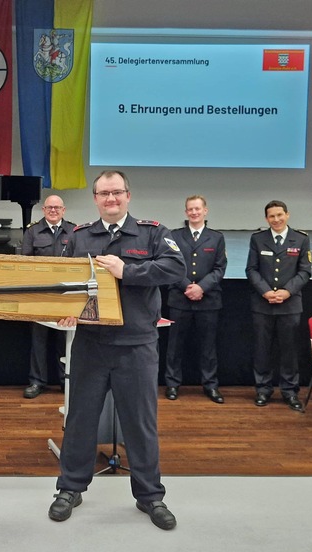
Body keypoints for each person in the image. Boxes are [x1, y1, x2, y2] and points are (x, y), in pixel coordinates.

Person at [48, 170, 185, 531]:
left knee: (140, 424)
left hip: (136, 345)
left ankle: (150, 496)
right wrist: (63, 309)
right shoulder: (79, 236)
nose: (111, 199)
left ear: (128, 196)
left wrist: (129, 271)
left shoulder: (153, 232)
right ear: (95, 199)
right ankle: (70, 489)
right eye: (104, 193)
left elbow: (175, 268)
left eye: (117, 192)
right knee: (79, 421)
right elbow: (63, 280)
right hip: (91, 344)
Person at [246, 200, 311, 411]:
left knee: (289, 350)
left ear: (287, 215)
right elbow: (251, 270)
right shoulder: (258, 239)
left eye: (279, 215)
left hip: (290, 305)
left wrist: (287, 291)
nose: (276, 219)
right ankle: (263, 390)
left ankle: (290, 391)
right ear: (266, 219)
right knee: (262, 349)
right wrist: (265, 291)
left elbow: (305, 271)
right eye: (272, 216)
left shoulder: (301, 239)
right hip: (262, 304)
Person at [164, 195, 227, 404]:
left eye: (197, 209)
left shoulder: (216, 238)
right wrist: (186, 287)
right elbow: (170, 265)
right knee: (174, 346)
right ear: (186, 212)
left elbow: (219, 269)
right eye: (190, 209)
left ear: (205, 211)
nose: (194, 212)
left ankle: (211, 385)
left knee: (208, 347)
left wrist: (201, 287)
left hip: (208, 301)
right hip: (179, 299)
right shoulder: (174, 236)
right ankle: (172, 384)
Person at [21, 195, 74, 399]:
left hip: (65, 295)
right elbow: (25, 264)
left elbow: (79, 262)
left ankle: (65, 380)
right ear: (43, 210)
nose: (53, 210)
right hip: (40, 295)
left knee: (65, 340)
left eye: (57, 207)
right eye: (50, 207)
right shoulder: (32, 231)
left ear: (63, 210)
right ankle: (37, 381)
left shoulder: (74, 231)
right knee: (38, 340)